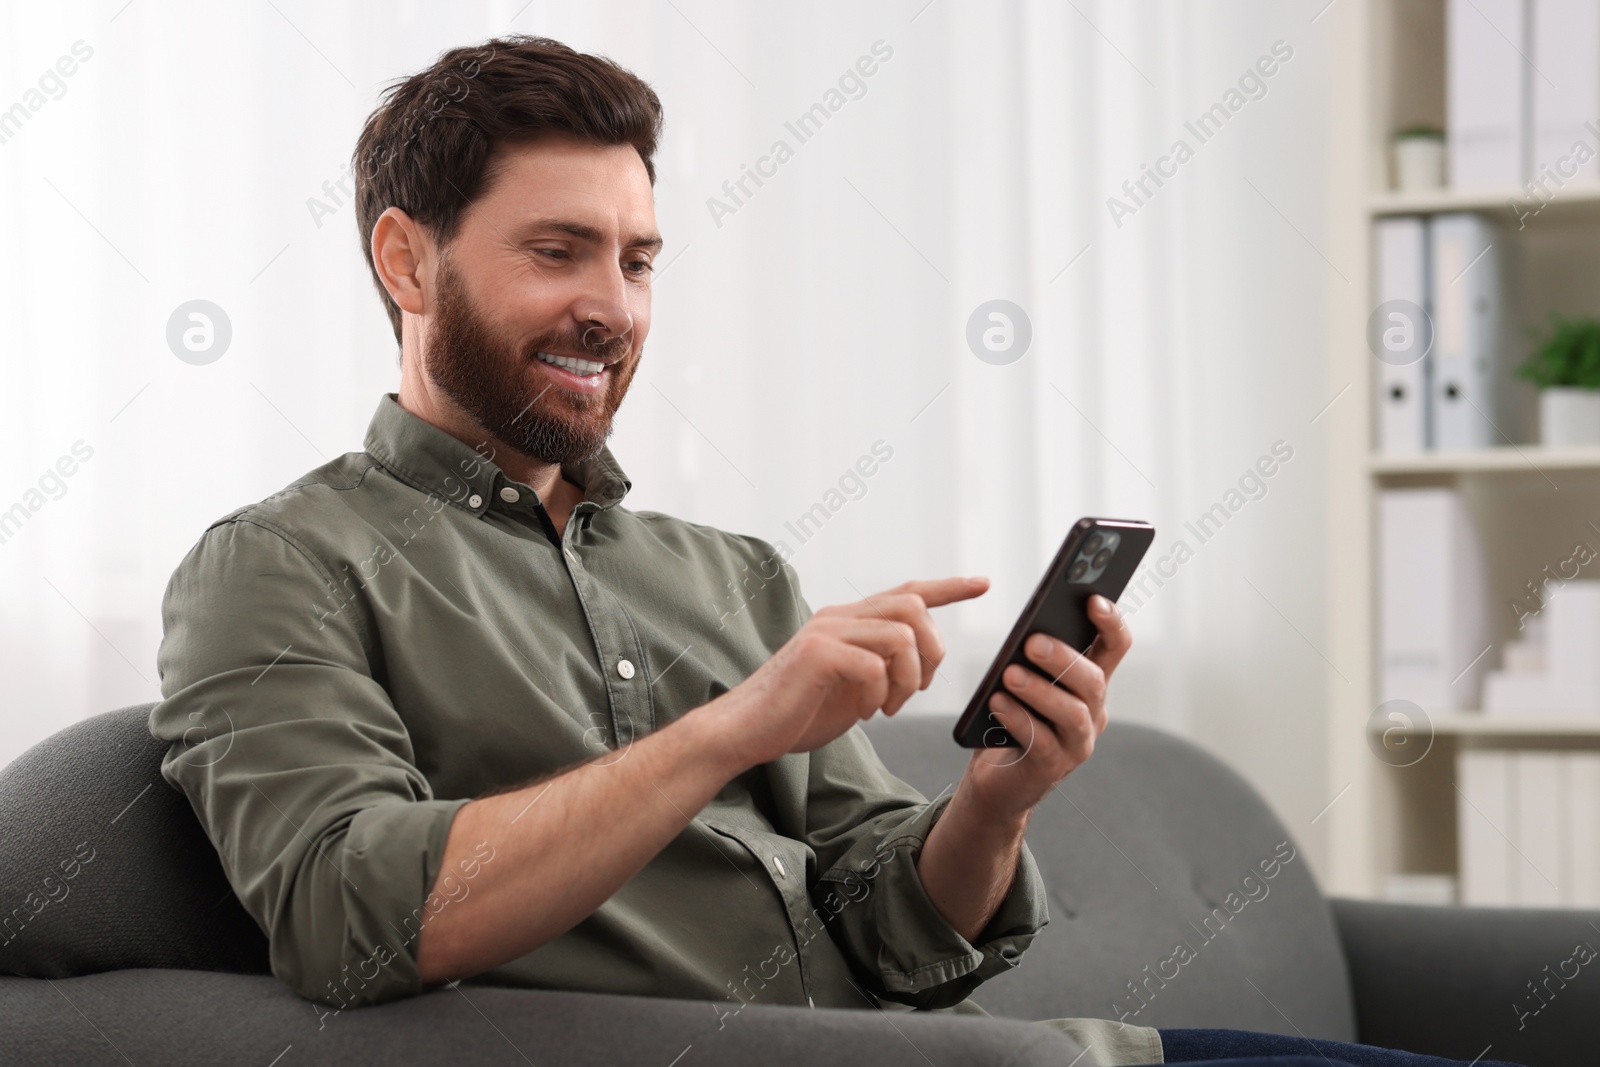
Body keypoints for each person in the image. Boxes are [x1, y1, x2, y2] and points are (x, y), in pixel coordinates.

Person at [148, 35, 1523, 1067]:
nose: (611, 306)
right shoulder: (280, 567)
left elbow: (892, 930)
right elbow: (349, 917)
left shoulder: (730, 576)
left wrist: (996, 800)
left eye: (638, 260)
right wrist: (734, 727)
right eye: (558, 251)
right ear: (406, 261)